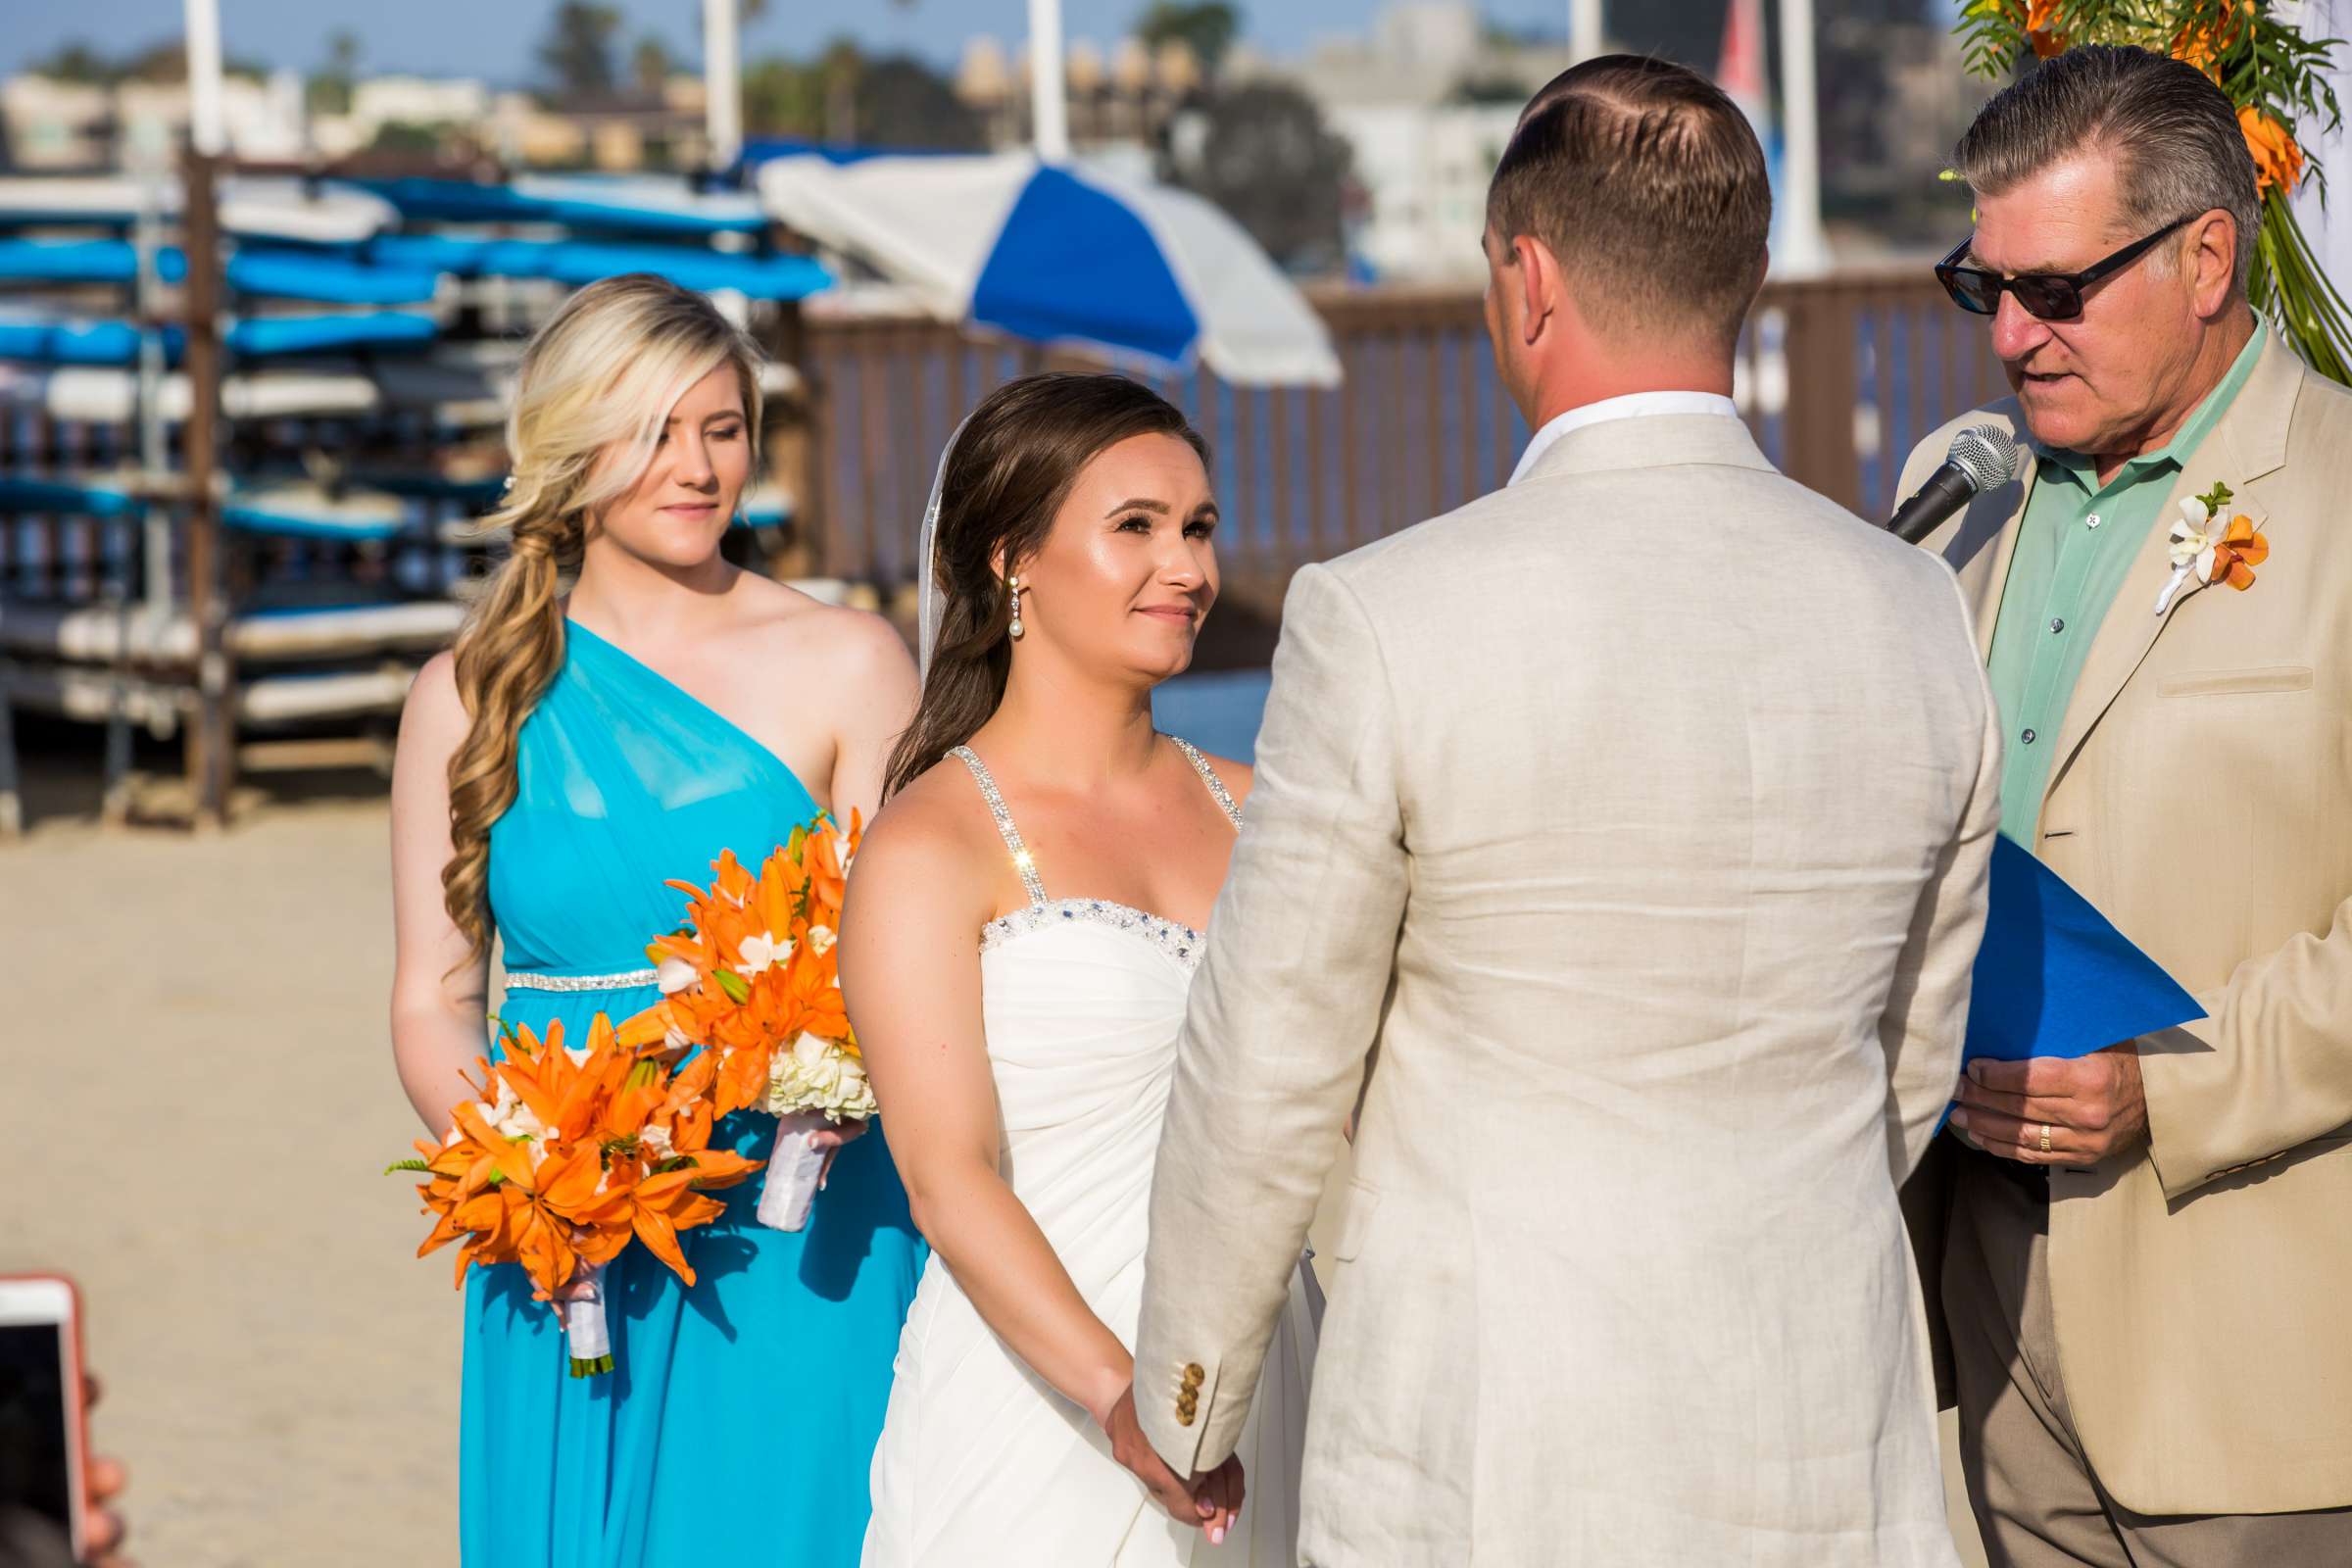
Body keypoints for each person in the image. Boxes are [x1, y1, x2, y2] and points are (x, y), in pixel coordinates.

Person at [1121, 55, 1996, 1566]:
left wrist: (1187, 1402)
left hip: (1493, 1438)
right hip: (1823, 1405)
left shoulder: (1386, 617)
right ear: (1749, 278)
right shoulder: (1917, 608)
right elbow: (1912, 1058)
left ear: (1527, 281)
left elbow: (1268, 1065)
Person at [387, 273, 924, 1566]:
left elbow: (905, 955)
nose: (697, 467)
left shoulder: (852, 660)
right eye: (653, 432)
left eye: (723, 429)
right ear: (572, 446)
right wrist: (530, 1179)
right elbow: (430, 998)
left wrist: (836, 1086)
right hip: (567, 1233)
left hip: (800, 1221)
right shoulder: (465, 699)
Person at [1899, 44, 2352, 1566]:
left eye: (2060, 290)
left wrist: (2173, 1087)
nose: (2014, 337)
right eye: (1985, 290)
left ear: (2210, 255)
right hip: (1984, 1335)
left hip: (2258, 1366)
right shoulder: (1956, 506)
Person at [840, 372, 1318, 1566]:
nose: (1189, 567)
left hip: (1273, 1370)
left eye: (1199, 526)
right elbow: (948, 1177)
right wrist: (1126, 1401)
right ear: (1014, 561)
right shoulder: (929, 841)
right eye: (1136, 527)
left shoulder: (1269, 811)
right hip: (1044, 1395)